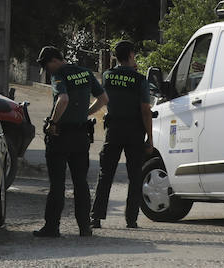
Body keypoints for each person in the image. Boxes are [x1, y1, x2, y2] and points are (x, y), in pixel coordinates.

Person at [33, 45, 107, 239]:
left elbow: (63, 99)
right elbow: (103, 98)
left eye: (46, 65)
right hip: (81, 137)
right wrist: (85, 113)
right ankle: (84, 227)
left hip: (60, 136)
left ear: (54, 60)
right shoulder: (85, 73)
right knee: (80, 183)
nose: (47, 70)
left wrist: (53, 122)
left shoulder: (59, 75)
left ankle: (52, 228)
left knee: (57, 184)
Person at [92, 40, 154, 229]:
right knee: (134, 175)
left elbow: (103, 101)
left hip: (114, 129)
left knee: (105, 174)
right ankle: (131, 219)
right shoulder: (140, 79)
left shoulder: (108, 76)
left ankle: (96, 217)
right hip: (134, 131)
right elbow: (145, 109)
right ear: (130, 56)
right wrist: (150, 137)